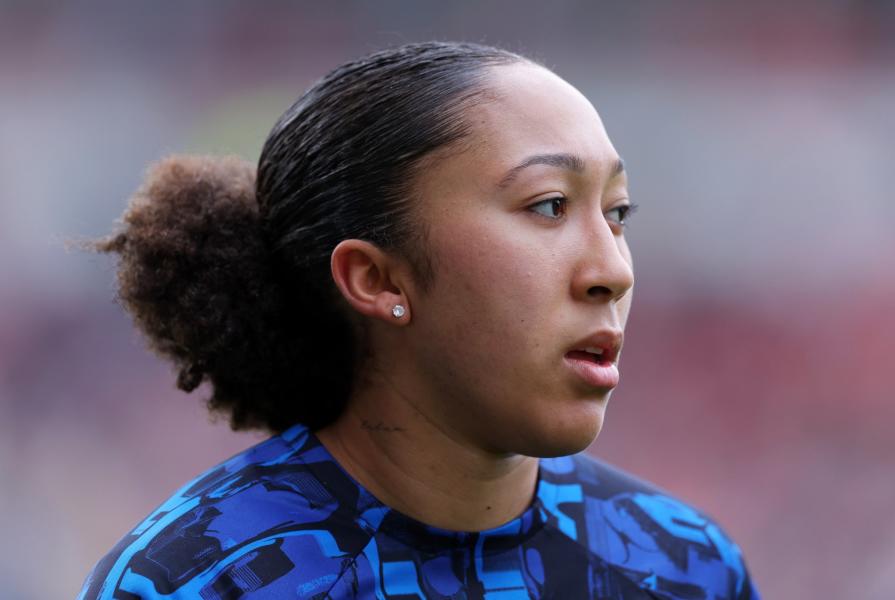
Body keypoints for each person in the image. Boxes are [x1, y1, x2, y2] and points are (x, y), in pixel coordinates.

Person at [78, 41, 760, 599]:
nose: (613, 270)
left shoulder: (685, 568)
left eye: (617, 214)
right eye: (549, 205)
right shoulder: (194, 583)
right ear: (377, 278)